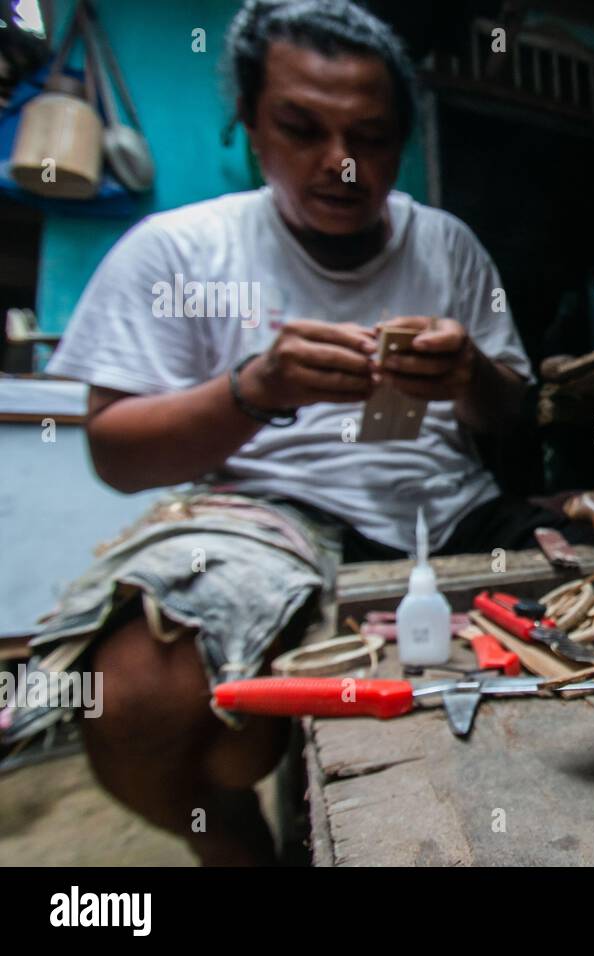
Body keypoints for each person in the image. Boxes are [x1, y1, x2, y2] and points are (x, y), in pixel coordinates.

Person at [8, 0, 558, 864]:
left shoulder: (447, 246)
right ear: (249, 126)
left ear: (403, 141)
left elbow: (518, 420)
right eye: (300, 128)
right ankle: (238, 852)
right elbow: (114, 452)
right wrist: (251, 392)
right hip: (263, 517)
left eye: (371, 138)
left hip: (446, 512)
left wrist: (471, 379)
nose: (340, 165)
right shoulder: (178, 251)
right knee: (134, 698)